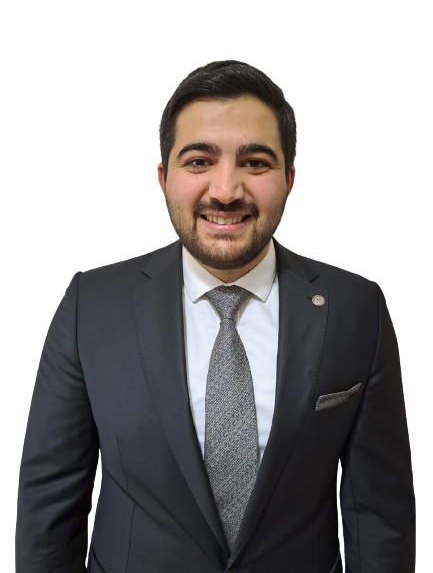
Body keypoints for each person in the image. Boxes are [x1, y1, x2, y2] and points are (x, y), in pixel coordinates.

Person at [16, 60, 415, 572]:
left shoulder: (356, 308)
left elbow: (379, 515)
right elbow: (49, 504)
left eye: (255, 162)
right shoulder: (91, 305)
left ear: (290, 179)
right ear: (163, 178)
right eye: (199, 161)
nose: (226, 191)